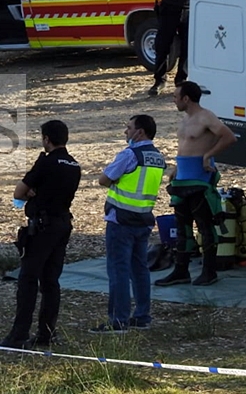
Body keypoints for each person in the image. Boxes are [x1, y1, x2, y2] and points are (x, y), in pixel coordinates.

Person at [0, 120, 81, 350]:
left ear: (46, 139)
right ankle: (46, 333)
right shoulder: (74, 165)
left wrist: (33, 195)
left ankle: (19, 334)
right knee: (51, 282)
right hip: (63, 224)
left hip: (42, 227)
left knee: (28, 280)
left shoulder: (46, 162)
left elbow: (19, 192)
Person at [155, 81, 236, 287]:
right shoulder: (185, 120)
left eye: (175, 96)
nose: (173, 100)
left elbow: (229, 137)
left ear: (186, 98)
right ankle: (181, 271)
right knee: (182, 227)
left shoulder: (206, 117)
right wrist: (175, 167)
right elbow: (185, 147)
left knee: (204, 226)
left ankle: (209, 272)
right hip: (182, 178)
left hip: (199, 179)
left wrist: (209, 155)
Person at [90, 114, 165, 333]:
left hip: (121, 219)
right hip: (143, 219)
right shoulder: (158, 157)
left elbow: (104, 179)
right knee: (139, 268)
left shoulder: (130, 154)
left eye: (128, 128)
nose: (126, 132)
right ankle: (142, 316)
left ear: (140, 132)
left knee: (118, 270)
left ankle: (118, 320)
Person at [150, 0, 199, 96]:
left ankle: (181, 80)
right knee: (162, 46)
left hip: (189, 10)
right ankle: (159, 81)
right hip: (169, 10)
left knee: (187, 48)